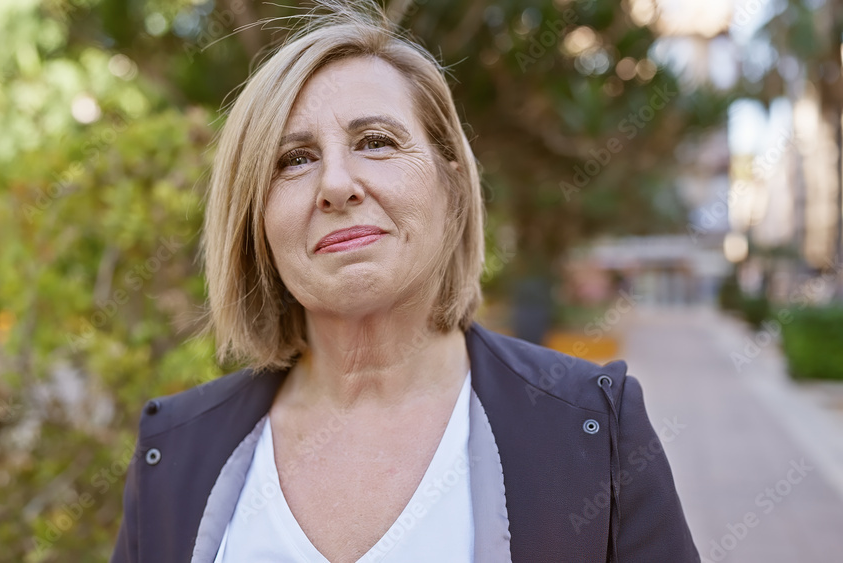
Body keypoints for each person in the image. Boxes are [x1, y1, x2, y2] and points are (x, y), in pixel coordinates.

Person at [111, 3, 699, 562]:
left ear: (451, 187)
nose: (336, 184)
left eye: (376, 142)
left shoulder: (592, 430)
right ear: (255, 222)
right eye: (293, 159)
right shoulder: (175, 452)